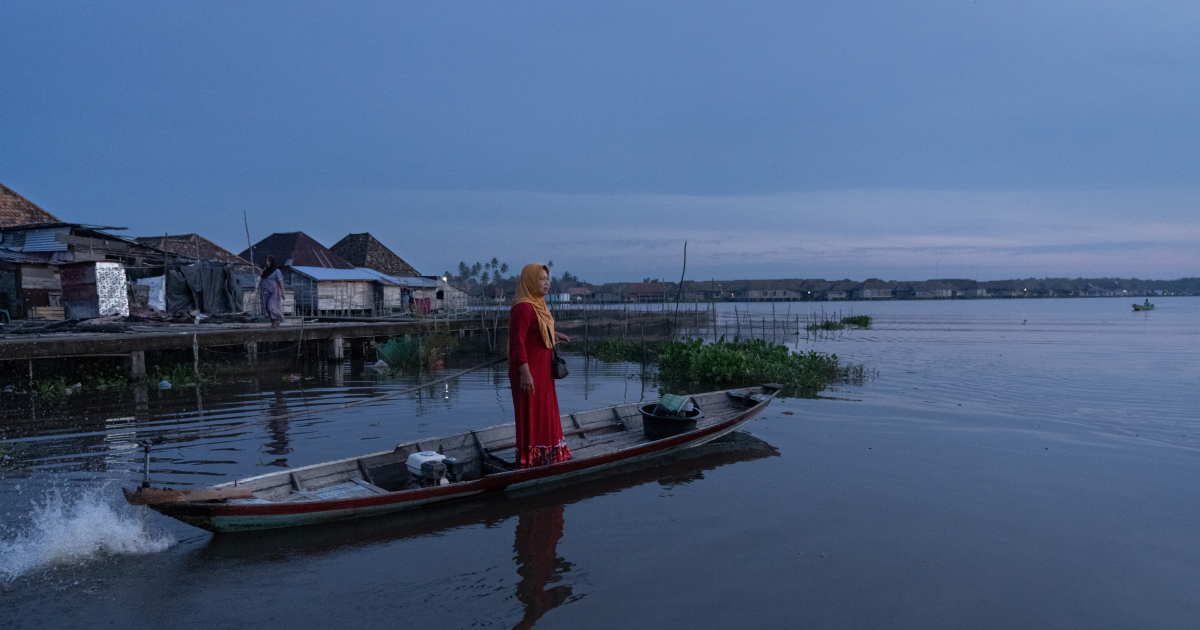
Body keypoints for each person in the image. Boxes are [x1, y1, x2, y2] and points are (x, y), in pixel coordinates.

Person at [509, 263, 572, 468]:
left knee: (546, 412)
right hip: (527, 370)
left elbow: (538, 332)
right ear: (530, 281)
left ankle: (549, 455)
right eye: (541, 279)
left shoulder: (539, 305)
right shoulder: (523, 308)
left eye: (547, 279)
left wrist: (556, 335)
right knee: (532, 415)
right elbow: (517, 342)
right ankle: (532, 458)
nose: (547, 283)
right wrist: (525, 373)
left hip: (543, 371)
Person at [259, 256, 285, 328]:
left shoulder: (277, 271)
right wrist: (260, 273)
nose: (267, 263)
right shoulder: (265, 270)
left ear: (272, 262)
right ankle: (273, 323)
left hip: (274, 292)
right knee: (267, 308)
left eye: (269, 261)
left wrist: (283, 292)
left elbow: (280, 282)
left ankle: (277, 320)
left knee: (272, 306)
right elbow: (261, 277)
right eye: (266, 261)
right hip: (265, 293)